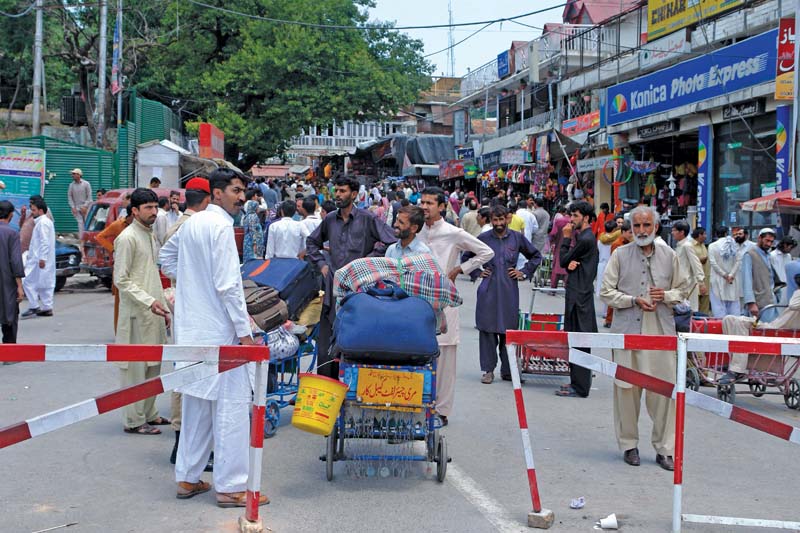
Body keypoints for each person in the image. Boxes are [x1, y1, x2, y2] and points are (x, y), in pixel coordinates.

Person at [160, 168, 269, 508]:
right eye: (236, 190)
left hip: (193, 331)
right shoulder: (220, 226)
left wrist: (193, 281)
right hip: (220, 333)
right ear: (217, 193)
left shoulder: (192, 223)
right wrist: (245, 333)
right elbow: (228, 287)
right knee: (231, 410)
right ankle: (231, 486)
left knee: (197, 405)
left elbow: (166, 260)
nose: (242, 197)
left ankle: (188, 478)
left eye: (243, 191)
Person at [601, 206, 688, 471]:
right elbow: (605, 291)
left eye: (646, 226)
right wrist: (631, 300)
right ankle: (629, 445)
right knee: (626, 392)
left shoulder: (669, 255)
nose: (641, 231)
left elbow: (684, 288)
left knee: (664, 392)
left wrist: (667, 296)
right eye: (636, 226)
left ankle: (665, 449)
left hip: (660, 333)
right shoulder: (620, 255)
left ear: (655, 227)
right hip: (628, 332)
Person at [306, 175, 397, 379]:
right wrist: (321, 264)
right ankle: (327, 388)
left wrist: (369, 261)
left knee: (356, 337)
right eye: (336, 191)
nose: (338, 195)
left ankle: (352, 388)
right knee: (327, 340)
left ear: (354, 194)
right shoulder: (330, 219)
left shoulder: (367, 218)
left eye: (342, 191)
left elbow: (390, 240)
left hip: (359, 290)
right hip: (333, 288)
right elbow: (311, 243)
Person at [418, 187, 494, 424]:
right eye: (422, 202)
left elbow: (486, 252)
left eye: (430, 203)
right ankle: (417, 405)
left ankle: (441, 410)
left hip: (444, 300)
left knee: (445, 356)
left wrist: (460, 269)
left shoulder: (453, 232)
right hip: (416, 301)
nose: (425, 207)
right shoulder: (416, 231)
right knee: (416, 353)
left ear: (441, 207)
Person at [114, 188, 171, 435]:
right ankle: (134, 420)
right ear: (134, 210)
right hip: (137, 313)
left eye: (155, 207)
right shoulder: (127, 238)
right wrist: (149, 301)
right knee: (136, 369)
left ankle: (150, 413)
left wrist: (164, 307)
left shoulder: (149, 235)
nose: (154, 212)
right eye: (148, 208)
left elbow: (151, 275)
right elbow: (121, 280)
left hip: (154, 312)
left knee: (153, 365)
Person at [469, 205, 541, 384]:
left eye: (502, 220)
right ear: (490, 220)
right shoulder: (483, 238)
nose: (499, 223)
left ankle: (508, 370)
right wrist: (477, 272)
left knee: (508, 331)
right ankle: (488, 370)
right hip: (488, 289)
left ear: (508, 219)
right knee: (487, 329)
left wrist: (523, 272)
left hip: (509, 289)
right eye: (495, 220)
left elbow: (536, 256)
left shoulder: (517, 238)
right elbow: (466, 256)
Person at [555, 201, 599, 398]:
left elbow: (563, 260)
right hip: (578, 293)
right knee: (574, 339)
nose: (571, 221)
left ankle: (580, 386)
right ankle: (577, 382)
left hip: (580, 297)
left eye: (575, 216)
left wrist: (565, 239)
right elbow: (568, 263)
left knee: (580, 340)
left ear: (586, 218)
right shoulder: (584, 237)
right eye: (571, 216)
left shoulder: (586, 239)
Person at [96, 201, 133, 333]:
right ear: (132, 213)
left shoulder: (139, 226)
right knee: (120, 299)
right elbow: (100, 237)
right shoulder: (118, 225)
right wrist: (112, 249)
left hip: (133, 265)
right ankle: (119, 331)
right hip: (120, 264)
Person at [21, 197, 56, 318]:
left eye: (34, 210)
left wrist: (42, 258)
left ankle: (34, 305)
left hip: (39, 259)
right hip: (41, 258)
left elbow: (44, 242)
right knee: (45, 283)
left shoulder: (43, 223)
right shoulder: (44, 222)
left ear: (40, 211)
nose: (32, 212)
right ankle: (47, 307)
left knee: (26, 280)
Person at [0, 201, 24, 344]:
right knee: (9, 315)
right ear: (10, 215)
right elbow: (15, 261)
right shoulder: (12, 233)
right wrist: (20, 286)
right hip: (6, 281)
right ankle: (9, 352)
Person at [742, 228, 777, 321]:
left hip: (771, 300)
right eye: (767, 240)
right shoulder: (749, 255)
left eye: (771, 242)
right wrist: (751, 303)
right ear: (759, 238)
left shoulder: (769, 255)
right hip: (757, 303)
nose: (769, 244)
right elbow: (747, 280)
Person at [707, 226, 741, 318]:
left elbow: (713, 263)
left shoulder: (712, 246)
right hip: (732, 280)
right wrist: (731, 274)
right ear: (726, 233)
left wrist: (724, 275)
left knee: (718, 308)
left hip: (718, 279)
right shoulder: (735, 245)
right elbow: (738, 261)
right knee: (734, 308)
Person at [604, 220, 633, 328]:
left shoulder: (631, 243)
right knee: (614, 297)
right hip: (618, 273)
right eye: (630, 232)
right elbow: (614, 262)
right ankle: (609, 319)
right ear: (623, 232)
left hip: (627, 273)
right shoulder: (617, 244)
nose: (632, 235)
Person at [672, 220, 705, 312]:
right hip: (681, 283)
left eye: (674, 230)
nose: (672, 233)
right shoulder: (679, 246)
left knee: (690, 310)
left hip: (688, 284)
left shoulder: (687, 246)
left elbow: (696, 263)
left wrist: (701, 282)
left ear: (682, 232)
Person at [689, 227, 711, 315]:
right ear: (699, 235)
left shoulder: (704, 246)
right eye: (704, 234)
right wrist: (700, 260)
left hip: (706, 280)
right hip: (695, 281)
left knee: (705, 308)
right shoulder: (690, 245)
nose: (706, 236)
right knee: (695, 307)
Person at [67, 168, 92, 242]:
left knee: (88, 223)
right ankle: (82, 240)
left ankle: (89, 239)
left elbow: (89, 196)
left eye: (74, 174)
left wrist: (85, 206)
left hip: (86, 207)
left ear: (79, 175)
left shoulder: (86, 184)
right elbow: (69, 196)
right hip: (77, 208)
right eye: (72, 174)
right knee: (80, 224)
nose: (72, 175)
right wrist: (73, 207)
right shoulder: (71, 185)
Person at [771, 236, 796, 305]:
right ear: (785, 245)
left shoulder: (788, 256)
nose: (791, 249)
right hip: (777, 286)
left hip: (787, 285)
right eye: (790, 247)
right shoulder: (772, 255)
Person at [549, 206, 570, 288]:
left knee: (556, 267)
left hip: (559, 246)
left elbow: (553, 233)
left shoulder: (559, 221)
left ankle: (553, 287)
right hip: (571, 247)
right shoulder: (573, 222)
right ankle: (567, 287)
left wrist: (552, 242)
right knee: (568, 268)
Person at [242, 196, 265, 262]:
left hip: (248, 240)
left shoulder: (247, 215)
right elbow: (253, 230)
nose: (258, 209)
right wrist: (255, 244)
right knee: (254, 260)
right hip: (253, 242)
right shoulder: (253, 216)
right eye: (257, 207)